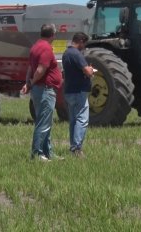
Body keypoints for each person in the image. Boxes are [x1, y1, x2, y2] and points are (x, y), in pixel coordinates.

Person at [21, 24, 63, 161]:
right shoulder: (46, 48)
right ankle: (37, 153)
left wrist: (28, 83)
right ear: (53, 35)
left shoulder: (35, 47)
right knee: (44, 123)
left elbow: (30, 69)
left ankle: (48, 152)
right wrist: (32, 82)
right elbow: (39, 70)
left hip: (40, 90)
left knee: (46, 122)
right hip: (45, 89)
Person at [62, 32, 94, 157]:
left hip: (69, 91)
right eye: (84, 43)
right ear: (80, 41)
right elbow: (86, 71)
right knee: (82, 119)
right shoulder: (76, 54)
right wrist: (91, 71)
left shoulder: (66, 53)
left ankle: (73, 146)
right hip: (79, 91)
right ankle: (77, 148)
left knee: (74, 120)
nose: (84, 46)